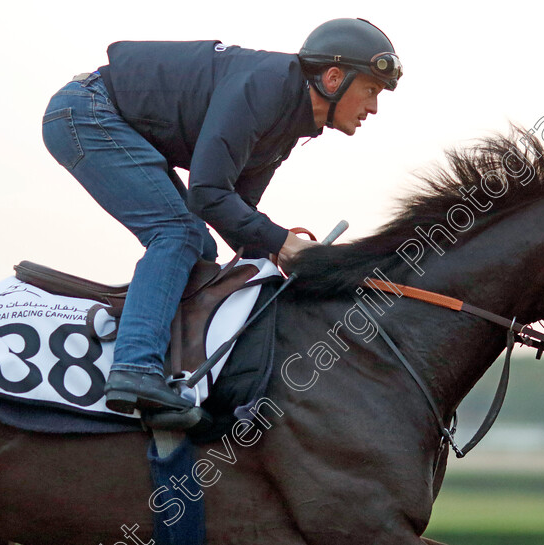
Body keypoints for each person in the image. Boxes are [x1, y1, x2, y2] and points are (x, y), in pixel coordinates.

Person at [41, 18, 402, 418]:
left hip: (111, 119)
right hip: (85, 111)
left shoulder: (290, 122)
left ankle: (168, 368)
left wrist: (297, 267)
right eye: (371, 90)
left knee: (200, 246)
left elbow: (236, 212)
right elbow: (208, 193)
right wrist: (284, 243)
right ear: (333, 78)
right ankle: (134, 368)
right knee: (178, 234)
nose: (373, 107)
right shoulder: (266, 88)